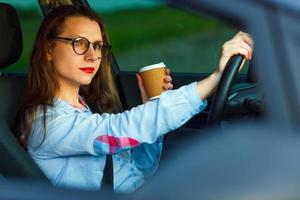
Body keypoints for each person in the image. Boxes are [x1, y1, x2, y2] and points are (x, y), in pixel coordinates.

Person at [13, 5, 254, 193]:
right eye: (79, 43)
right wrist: (215, 79)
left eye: (97, 46)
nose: (92, 56)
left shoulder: (83, 110)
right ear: (48, 50)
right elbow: (120, 128)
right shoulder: (44, 122)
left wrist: (151, 105)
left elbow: (139, 170)